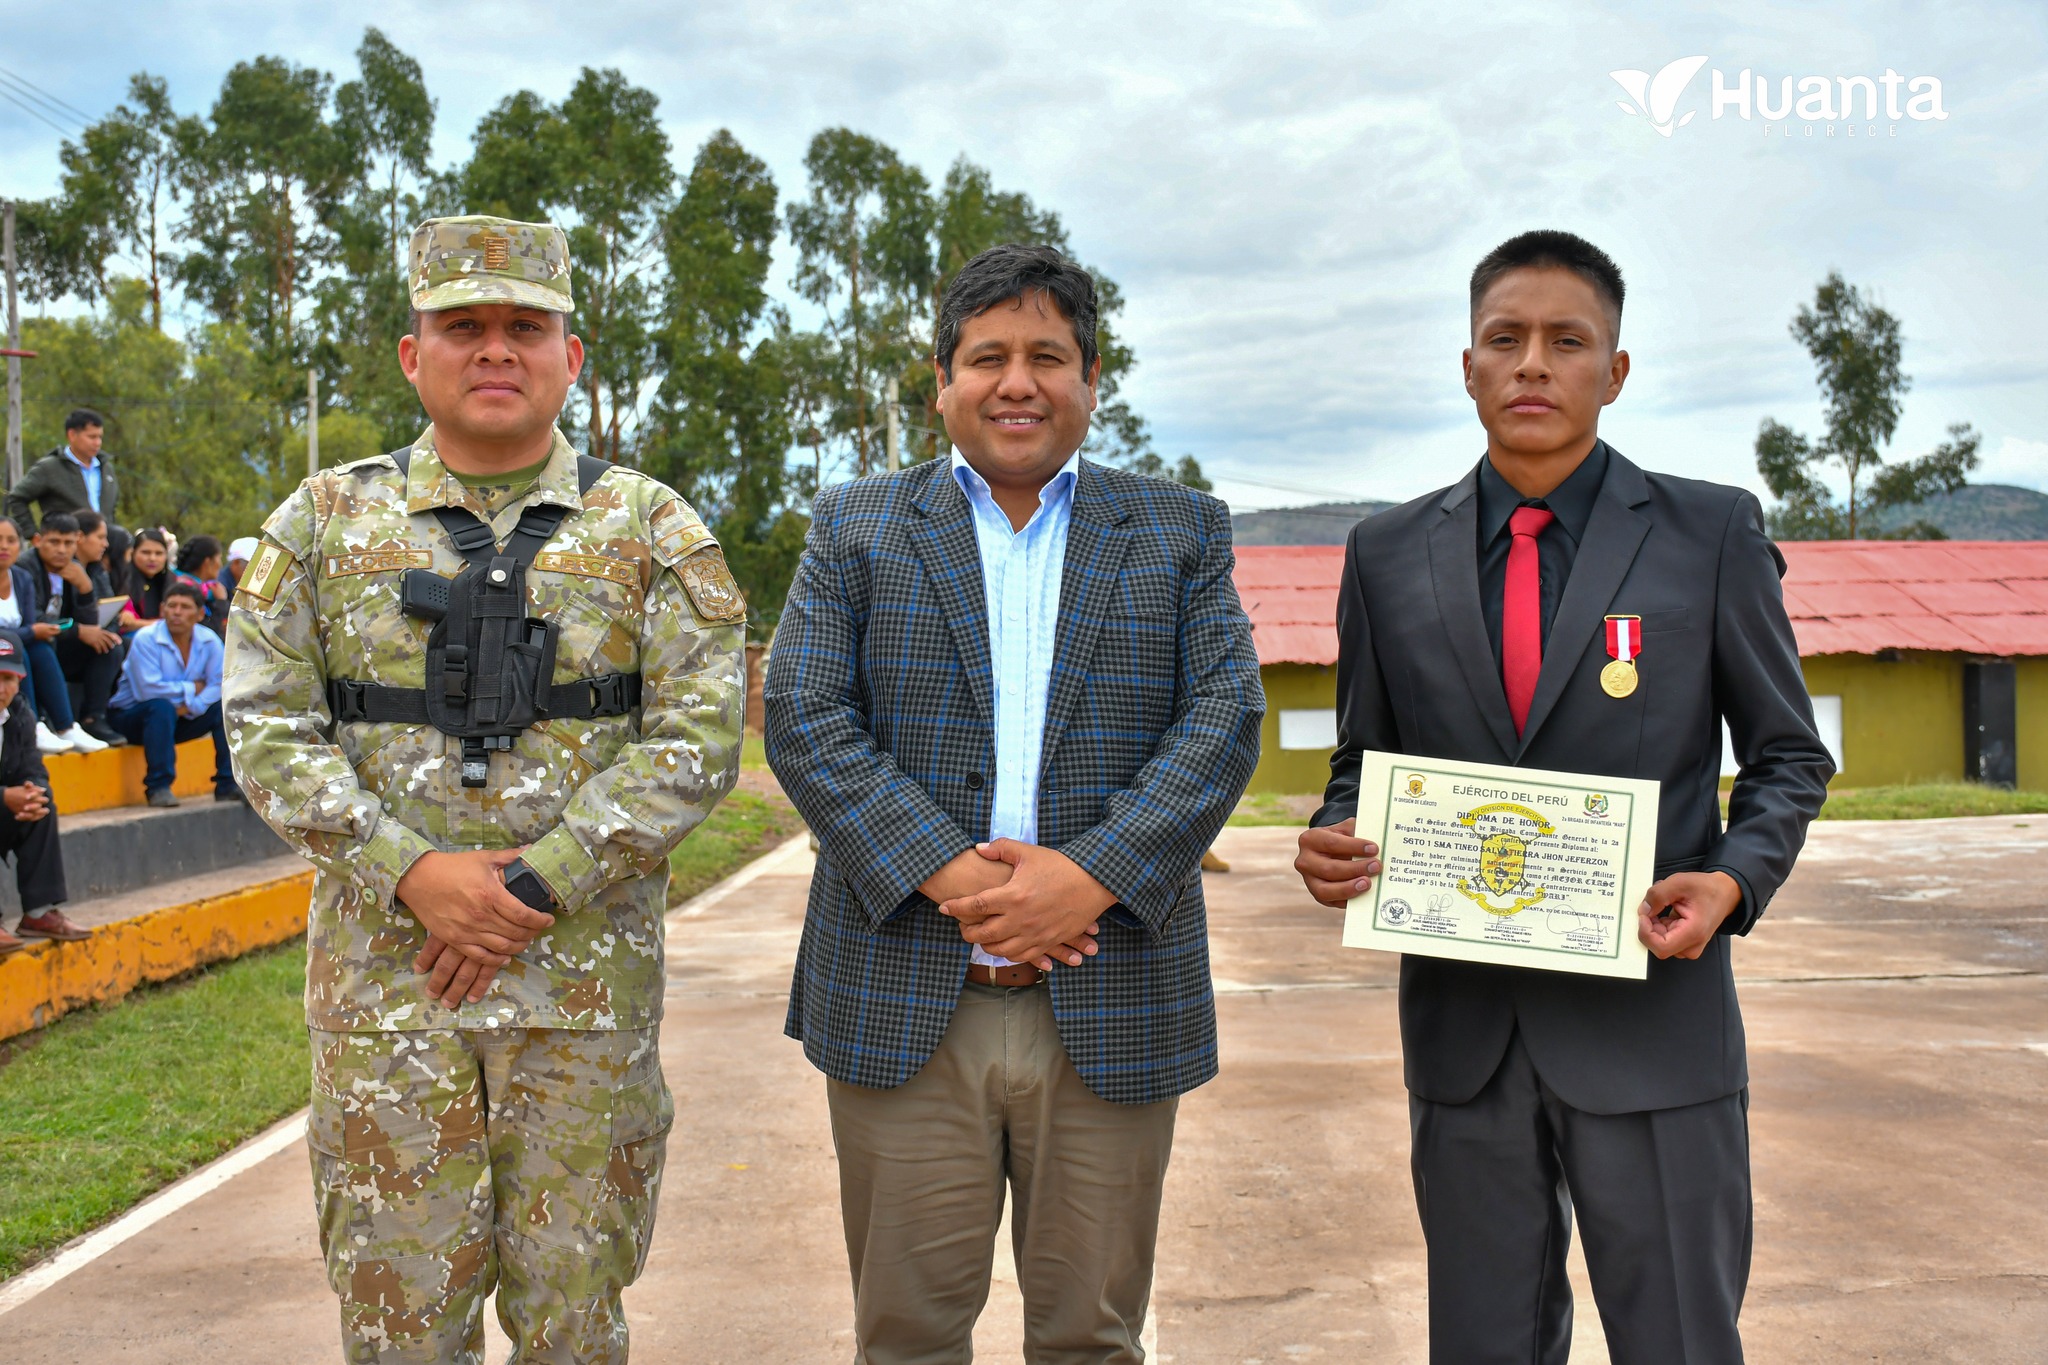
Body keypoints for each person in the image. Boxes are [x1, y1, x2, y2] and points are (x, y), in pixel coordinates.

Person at [1293, 230, 1834, 1365]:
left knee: (1679, 1340)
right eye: (1506, 339)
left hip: (1652, 1027)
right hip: (1465, 1039)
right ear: (1468, 366)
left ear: (1613, 371)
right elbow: (1363, 758)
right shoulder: (1386, 555)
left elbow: (1787, 755)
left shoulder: (1708, 533)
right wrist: (1332, 835)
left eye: (1564, 340)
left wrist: (1732, 881)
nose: (1532, 362)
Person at [225, 213, 745, 1361]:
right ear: (415, 355)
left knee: (574, 1326)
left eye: (525, 327)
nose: (496, 350)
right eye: (464, 326)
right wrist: (411, 871)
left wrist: (526, 889)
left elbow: (698, 739)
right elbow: (265, 731)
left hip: (582, 1003)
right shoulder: (319, 522)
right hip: (389, 999)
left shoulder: (652, 527)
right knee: (399, 1326)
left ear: (571, 355)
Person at [764, 243, 1265, 1362]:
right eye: (986, 356)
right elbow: (803, 714)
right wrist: (955, 878)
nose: (1017, 382)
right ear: (940, 380)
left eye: (1047, 355)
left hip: (1112, 992)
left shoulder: (1178, 530)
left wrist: (1082, 881)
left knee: (1091, 1337)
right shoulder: (855, 526)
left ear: (1093, 377)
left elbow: (1222, 720)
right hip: (902, 993)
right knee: (904, 1335)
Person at [106, 582, 238, 809]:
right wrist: (192, 689)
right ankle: (158, 787)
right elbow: (147, 690)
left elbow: (219, 685)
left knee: (224, 707)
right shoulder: (146, 638)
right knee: (160, 708)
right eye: (172, 606)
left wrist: (191, 706)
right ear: (162, 609)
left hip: (180, 717)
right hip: (132, 717)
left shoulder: (209, 640)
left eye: (185, 607)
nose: (177, 612)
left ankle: (227, 784)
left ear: (199, 614)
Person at [0, 635, 89, 959]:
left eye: (8, 678)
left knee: (41, 804)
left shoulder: (20, 713)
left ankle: (38, 913)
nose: (1, 689)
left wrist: (30, 793)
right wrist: (4, 798)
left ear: (20, 679)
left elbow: (33, 767)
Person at [19, 513, 125, 747]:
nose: (62, 550)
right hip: (34, 642)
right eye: (54, 542)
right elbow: (33, 617)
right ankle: (47, 724)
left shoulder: (75, 568)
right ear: (38, 541)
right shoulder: (25, 567)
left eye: (68, 543)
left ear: (76, 541)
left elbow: (91, 622)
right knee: (40, 646)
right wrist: (77, 630)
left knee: (111, 645)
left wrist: (86, 589)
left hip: (61, 644)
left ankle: (92, 719)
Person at [0, 516, 100, 753]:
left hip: (15, 646)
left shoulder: (20, 578)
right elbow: (32, 627)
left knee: (40, 649)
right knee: (21, 647)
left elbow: (32, 623)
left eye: (11, 540)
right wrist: (30, 632)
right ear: (37, 541)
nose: (4, 546)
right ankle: (32, 724)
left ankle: (66, 727)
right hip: (10, 649)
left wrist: (86, 589)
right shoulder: (30, 568)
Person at [6, 407, 120, 534]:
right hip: (64, 547)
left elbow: (111, 510)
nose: (98, 442)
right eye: (92, 437)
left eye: (100, 437)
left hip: (102, 548)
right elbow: (17, 498)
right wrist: (32, 534)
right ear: (72, 435)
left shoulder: (106, 468)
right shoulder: (49, 468)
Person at [173, 534, 230, 637]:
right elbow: (211, 631)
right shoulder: (186, 590)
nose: (221, 565)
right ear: (208, 562)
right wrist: (221, 601)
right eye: (219, 558)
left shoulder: (204, 589)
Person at [126, 527, 172, 623]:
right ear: (133, 553)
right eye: (146, 552)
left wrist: (137, 624)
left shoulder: (173, 582)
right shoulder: (122, 581)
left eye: (159, 553)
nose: (152, 558)